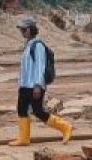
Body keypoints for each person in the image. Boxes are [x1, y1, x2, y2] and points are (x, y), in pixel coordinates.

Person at [10, 16, 72, 146]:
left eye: (23, 29)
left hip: (34, 85)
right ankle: (23, 138)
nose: (22, 32)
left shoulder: (38, 46)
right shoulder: (29, 45)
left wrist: (38, 85)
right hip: (25, 85)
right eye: (21, 29)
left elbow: (40, 66)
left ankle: (65, 127)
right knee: (21, 109)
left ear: (30, 30)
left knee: (38, 111)